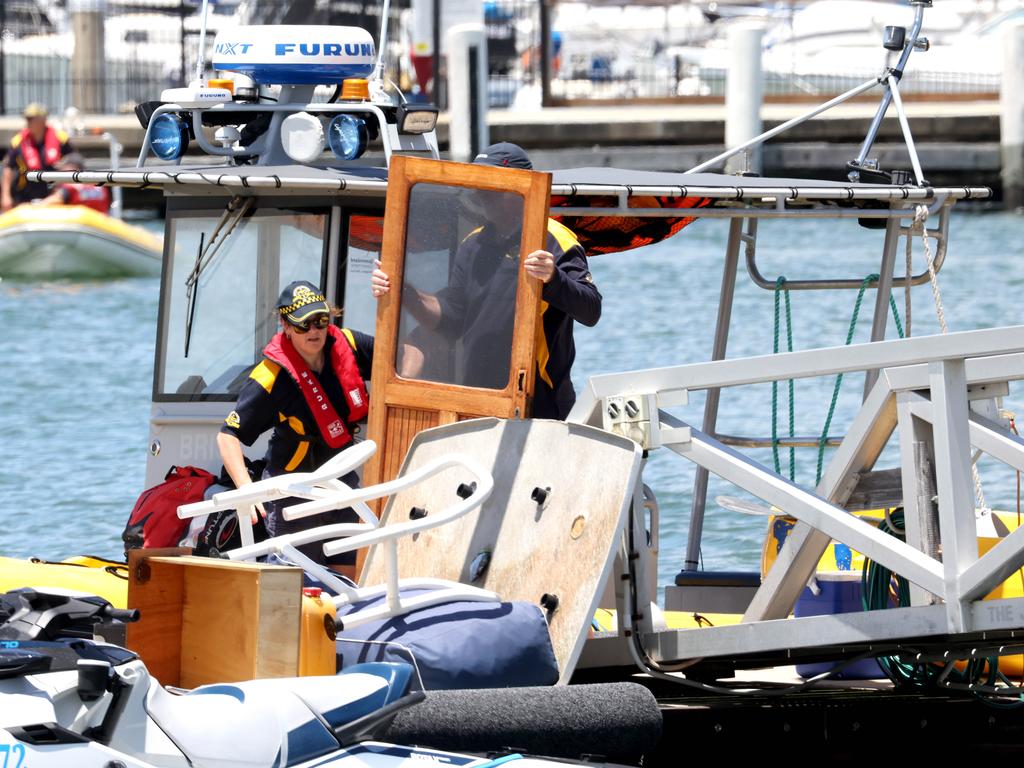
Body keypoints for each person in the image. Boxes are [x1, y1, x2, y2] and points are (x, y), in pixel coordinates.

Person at [371, 142, 602, 419]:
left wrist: (553, 278)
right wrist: (401, 292)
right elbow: (452, 320)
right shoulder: (472, 245)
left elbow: (591, 310)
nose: (482, 195)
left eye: (492, 188)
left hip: (541, 403)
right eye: (480, 188)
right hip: (479, 401)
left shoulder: (554, 239)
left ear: (522, 189)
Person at [217, 280, 373, 573]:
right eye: (303, 325)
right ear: (286, 326)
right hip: (292, 492)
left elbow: (400, 357)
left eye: (320, 321)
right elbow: (228, 435)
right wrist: (245, 490)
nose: (314, 331)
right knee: (301, 585)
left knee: (347, 578)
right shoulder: (270, 376)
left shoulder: (348, 345)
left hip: (341, 484)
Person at [1, 103, 74, 212]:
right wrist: (5, 196)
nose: (28, 122)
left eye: (31, 119)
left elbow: (73, 164)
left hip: (53, 199)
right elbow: (8, 169)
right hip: (23, 199)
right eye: (27, 119)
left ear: (43, 119)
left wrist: (61, 191)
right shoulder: (18, 141)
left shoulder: (61, 139)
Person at [40, 153, 112, 214]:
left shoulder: (71, 186)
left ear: (72, 168)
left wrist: (35, 206)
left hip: (78, 227)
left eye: (63, 168)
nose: (60, 171)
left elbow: (52, 202)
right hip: (99, 228)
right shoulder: (101, 188)